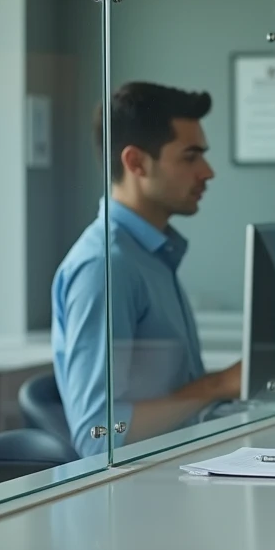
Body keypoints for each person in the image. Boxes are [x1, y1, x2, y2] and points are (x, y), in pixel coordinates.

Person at [52, 81, 242, 457]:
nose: (207, 172)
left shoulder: (151, 254)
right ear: (136, 162)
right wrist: (217, 385)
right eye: (190, 157)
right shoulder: (106, 268)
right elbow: (100, 432)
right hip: (141, 499)